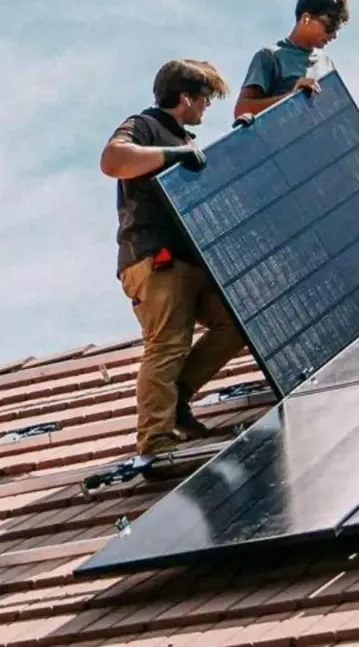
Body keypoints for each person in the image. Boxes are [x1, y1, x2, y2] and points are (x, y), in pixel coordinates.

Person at [99, 59, 246, 457]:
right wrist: (171, 155)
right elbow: (113, 161)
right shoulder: (144, 127)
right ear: (185, 98)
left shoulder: (185, 141)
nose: (207, 108)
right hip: (154, 257)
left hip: (192, 263)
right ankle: (156, 441)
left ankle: (177, 396)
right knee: (167, 344)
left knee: (236, 323)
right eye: (204, 100)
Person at [233, 0, 351, 121]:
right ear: (306, 18)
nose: (334, 35)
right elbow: (242, 110)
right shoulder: (270, 56)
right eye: (331, 27)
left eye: (337, 29)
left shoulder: (327, 65)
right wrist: (292, 98)